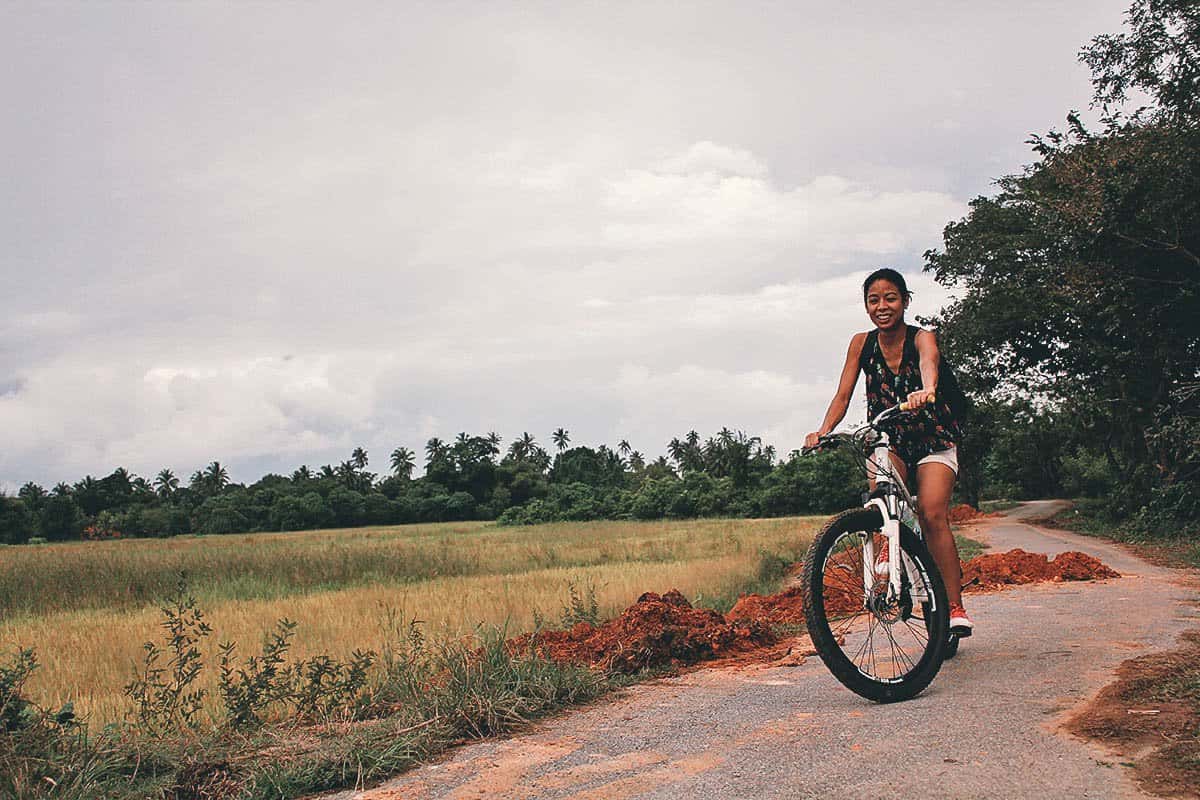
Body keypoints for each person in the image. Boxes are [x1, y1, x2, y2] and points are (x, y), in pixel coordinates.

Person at [804, 268, 973, 635]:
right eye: (874, 299)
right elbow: (843, 395)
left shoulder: (922, 337)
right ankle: (889, 540)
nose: (882, 306)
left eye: (891, 298)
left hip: (933, 436)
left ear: (905, 301)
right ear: (866, 306)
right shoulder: (860, 344)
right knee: (881, 488)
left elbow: (929, 363)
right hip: (890, 436)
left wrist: (926, 390)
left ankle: (954, 604)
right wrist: (823, 430)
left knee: (931, 514)